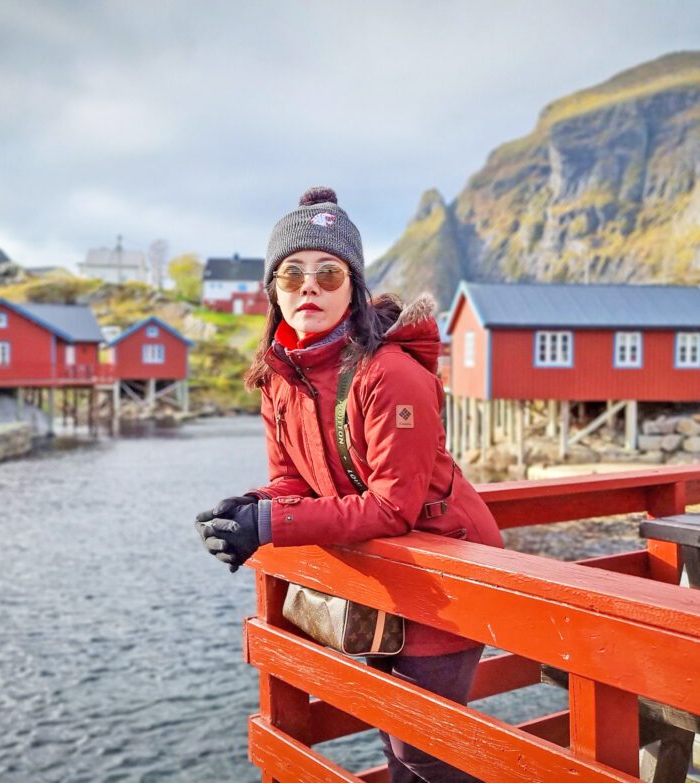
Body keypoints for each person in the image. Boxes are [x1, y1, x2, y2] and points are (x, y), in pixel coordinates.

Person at [195, 186, 504, 783]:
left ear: (354, 290)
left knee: (423, 751)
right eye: (291, 274)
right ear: (273, 292)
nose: (308, 286)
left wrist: (272, 526)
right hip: (387, 577)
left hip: (447, 571)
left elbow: (393, 506)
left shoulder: (390, 376)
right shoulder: (277, 378)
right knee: (398, 738)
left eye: (328, 273)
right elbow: (293, 483)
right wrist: (246, 511)